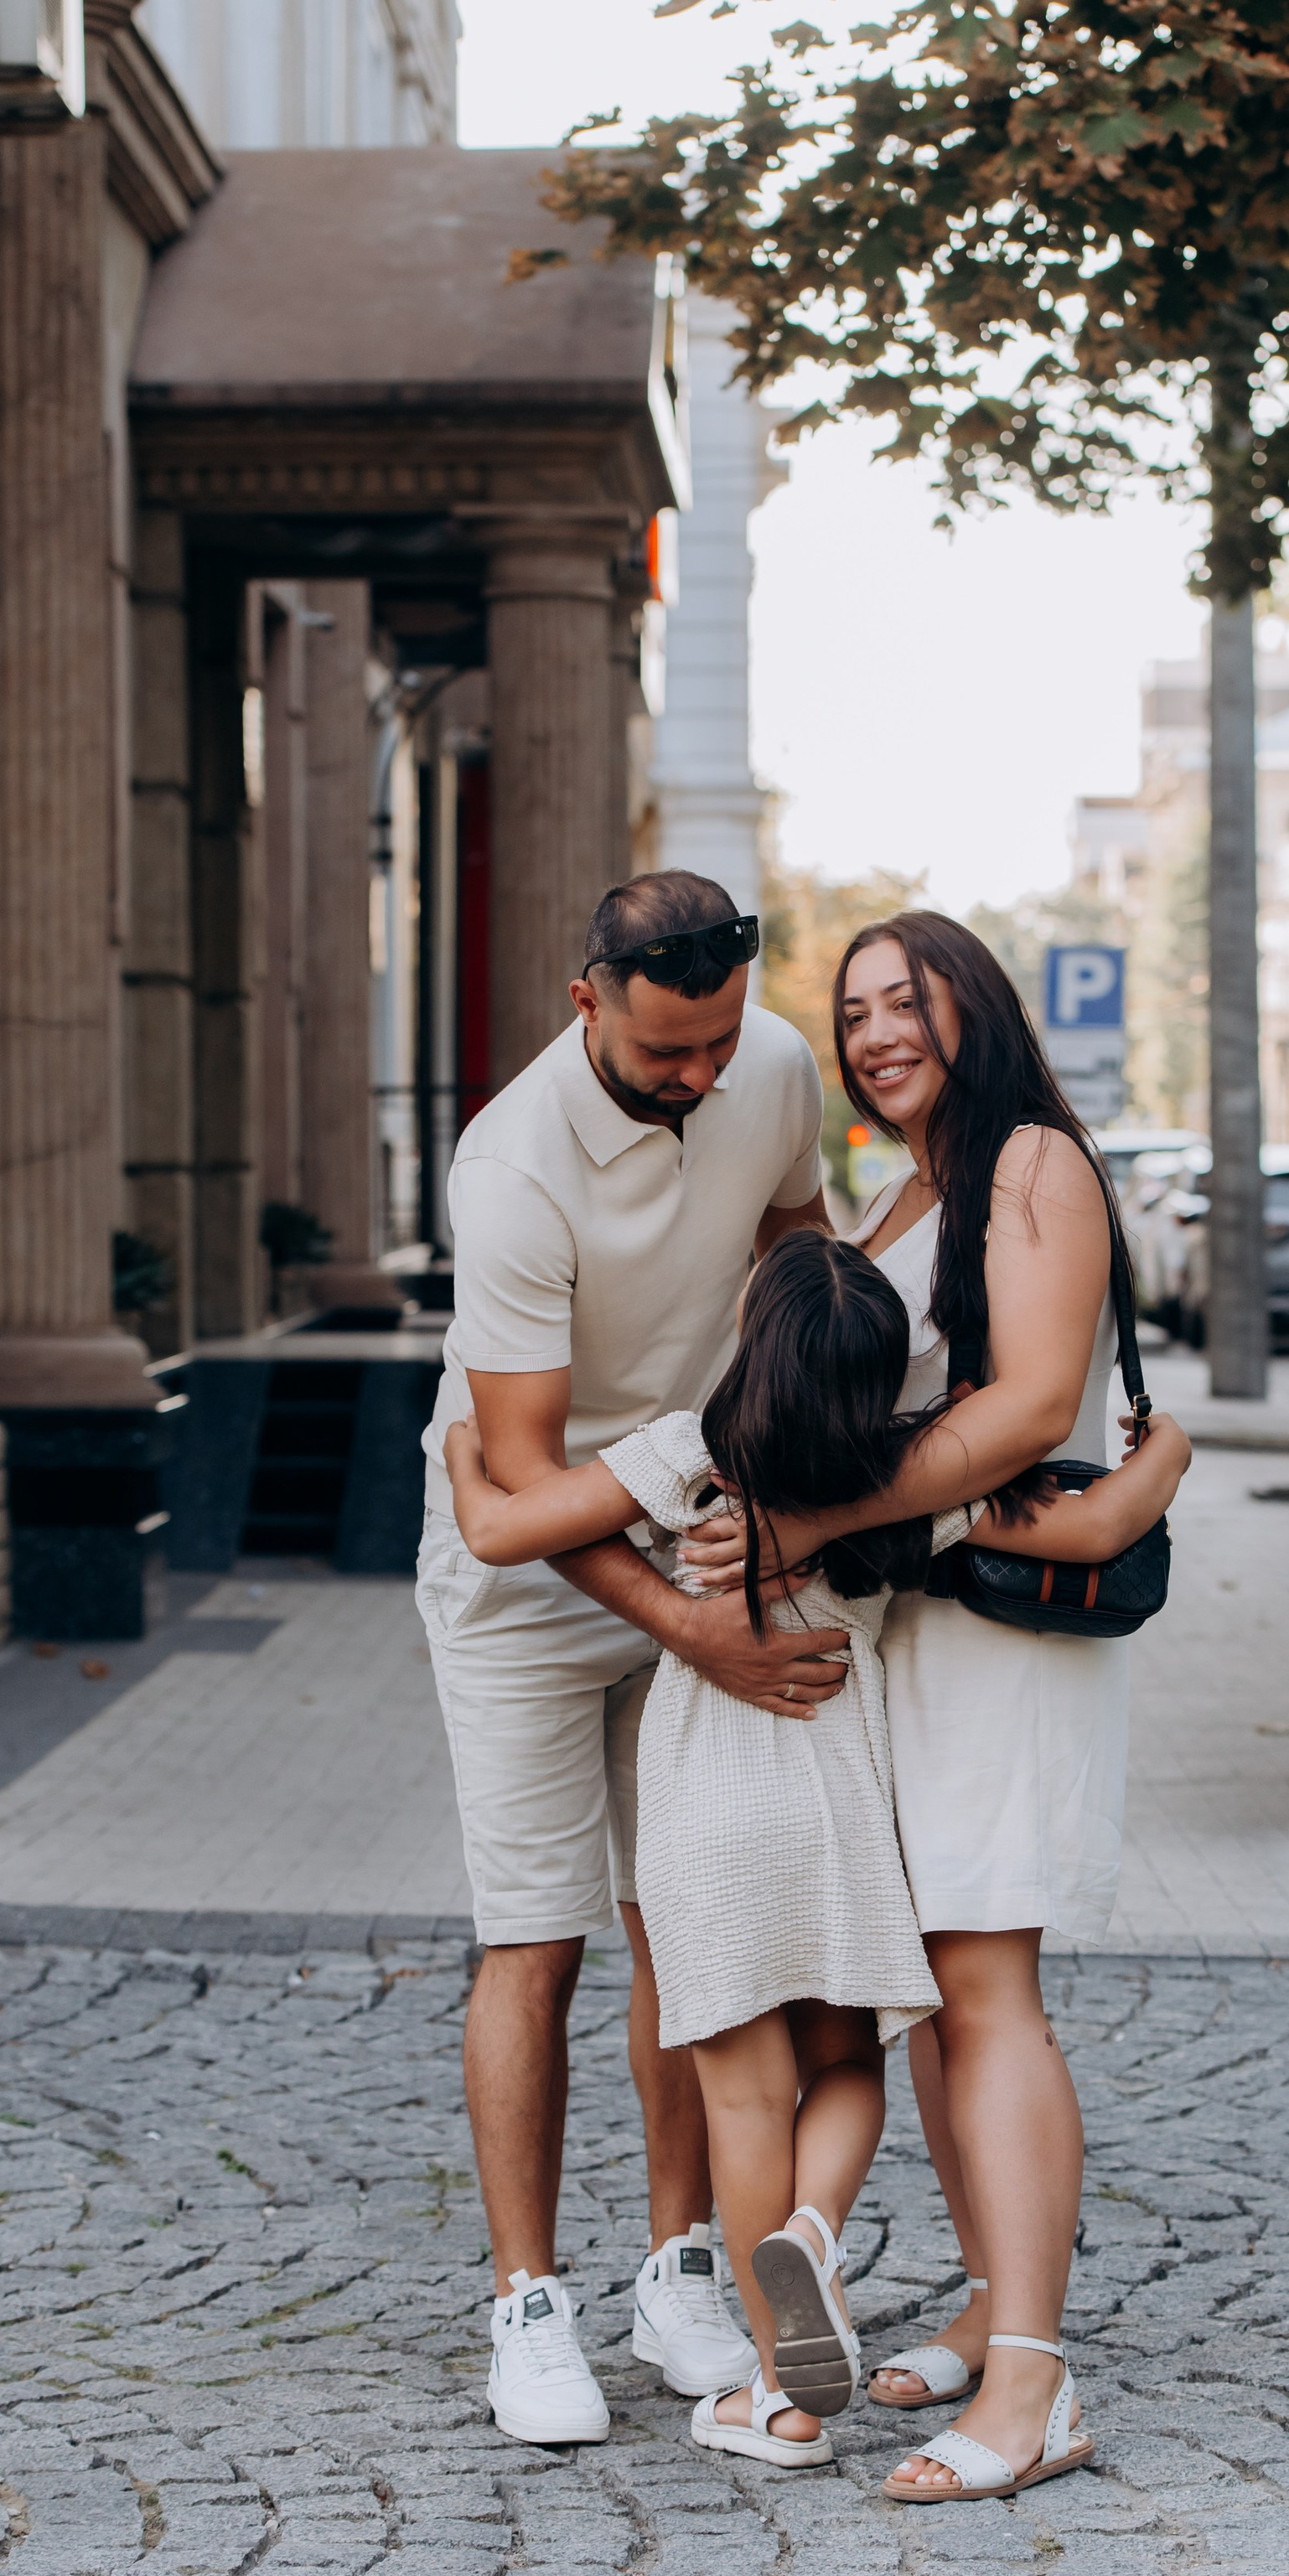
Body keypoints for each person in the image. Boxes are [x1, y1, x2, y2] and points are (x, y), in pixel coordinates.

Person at [446, 1229, 1188, 2475]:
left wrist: (466, 1455)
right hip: (844, 1810)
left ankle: (778, 2401)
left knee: (744, 2094)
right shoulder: (901, 1476)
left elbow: (502, 1529)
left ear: (754, 1341)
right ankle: (814, 2231)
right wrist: (1167, 1447)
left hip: (707, 1813)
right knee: (846, 2063)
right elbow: (1099, 1524)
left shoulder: (688, 1453)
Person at [680, 911, 1171, 2501]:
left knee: (987, 1990)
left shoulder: (1031, 1163)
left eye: (910, 1000)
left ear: (979, 1008)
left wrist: (805, 1522)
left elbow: (1028, 1408)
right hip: (912, 1637)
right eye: (855, 1011)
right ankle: (984, 2300)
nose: (878, 1030)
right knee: (943, 2000)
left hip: (1001, 1645)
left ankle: (1034, 2384)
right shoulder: (908, 1191)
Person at [416, 869, 849, 2447]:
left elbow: (798, 1266)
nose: (703, 1076)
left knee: (688, 1918)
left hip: (699, 1530)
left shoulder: (770, 1067)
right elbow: (522, 1489)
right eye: (670, 1051)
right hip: (529, 1572)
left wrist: (763, 1511)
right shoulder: (511, 1166)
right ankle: (528, 2304)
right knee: (535, 1940)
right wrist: (688, 1631)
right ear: (585, 999)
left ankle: (679, 2270)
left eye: (722, 1040)